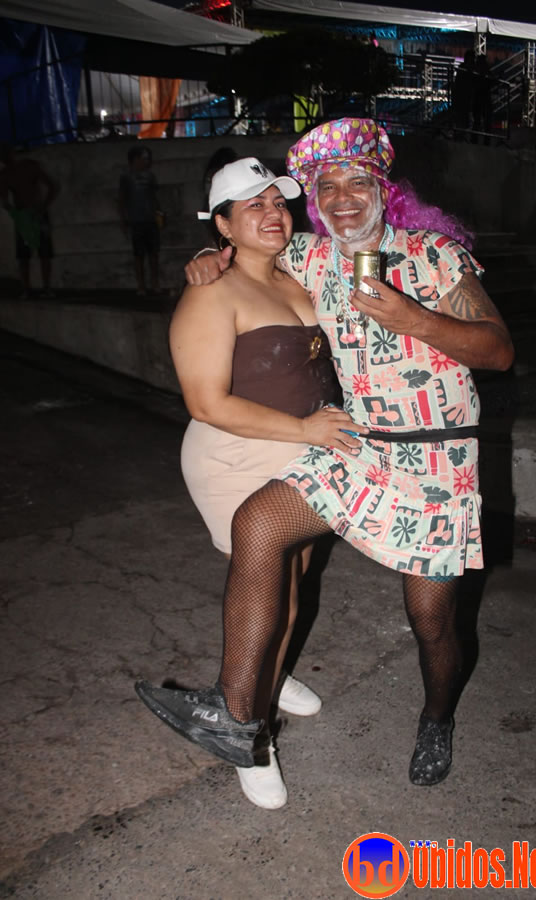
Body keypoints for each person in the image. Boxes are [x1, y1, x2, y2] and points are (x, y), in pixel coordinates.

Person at [137, 118, 514, 791]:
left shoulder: (434, 255)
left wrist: (416, 320)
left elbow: (499, 350)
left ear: (384, 190)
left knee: (431, 622)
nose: (342, 198)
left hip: (435, 464)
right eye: (327, 187)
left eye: (356, 183)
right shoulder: (311, 257)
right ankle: (235, 714)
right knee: (259, 524)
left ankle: (437, 716)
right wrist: (206, 257)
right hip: (356, 448)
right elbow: (247, 249)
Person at [137, 156, 365, 808]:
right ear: (223, 224)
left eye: (278, 202)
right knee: (275, 587)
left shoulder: (300, 275)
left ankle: (273, 670)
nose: (273, 214)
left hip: (307, 452)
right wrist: (307, 431)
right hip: (238, 457)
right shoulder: (212, 291)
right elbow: (206, 402)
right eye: (253, 205)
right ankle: (249, 728)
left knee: (297, 578)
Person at [0, 143, 58, 298]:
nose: (4, 158)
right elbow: (4, 200)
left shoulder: (28, 167)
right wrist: (17, 214)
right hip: (27, 216)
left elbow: (53, 186)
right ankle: (30, 289)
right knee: (26, 255)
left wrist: (41, 208)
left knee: (42, 253)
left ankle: (42, 289)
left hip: (35, 214)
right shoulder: (7, 174)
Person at [118, 145, 162, 296]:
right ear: (135, 159)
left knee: (153, 253)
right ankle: (141, 285)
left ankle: (155, 283)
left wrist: (158, 213)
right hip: (136, 221)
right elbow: (122, 199)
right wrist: (123, 219)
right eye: (144, 158)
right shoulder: (126, 177)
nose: (147, 161)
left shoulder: (150, 177)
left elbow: (154, 197)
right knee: (139, 255)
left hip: (150, 219)